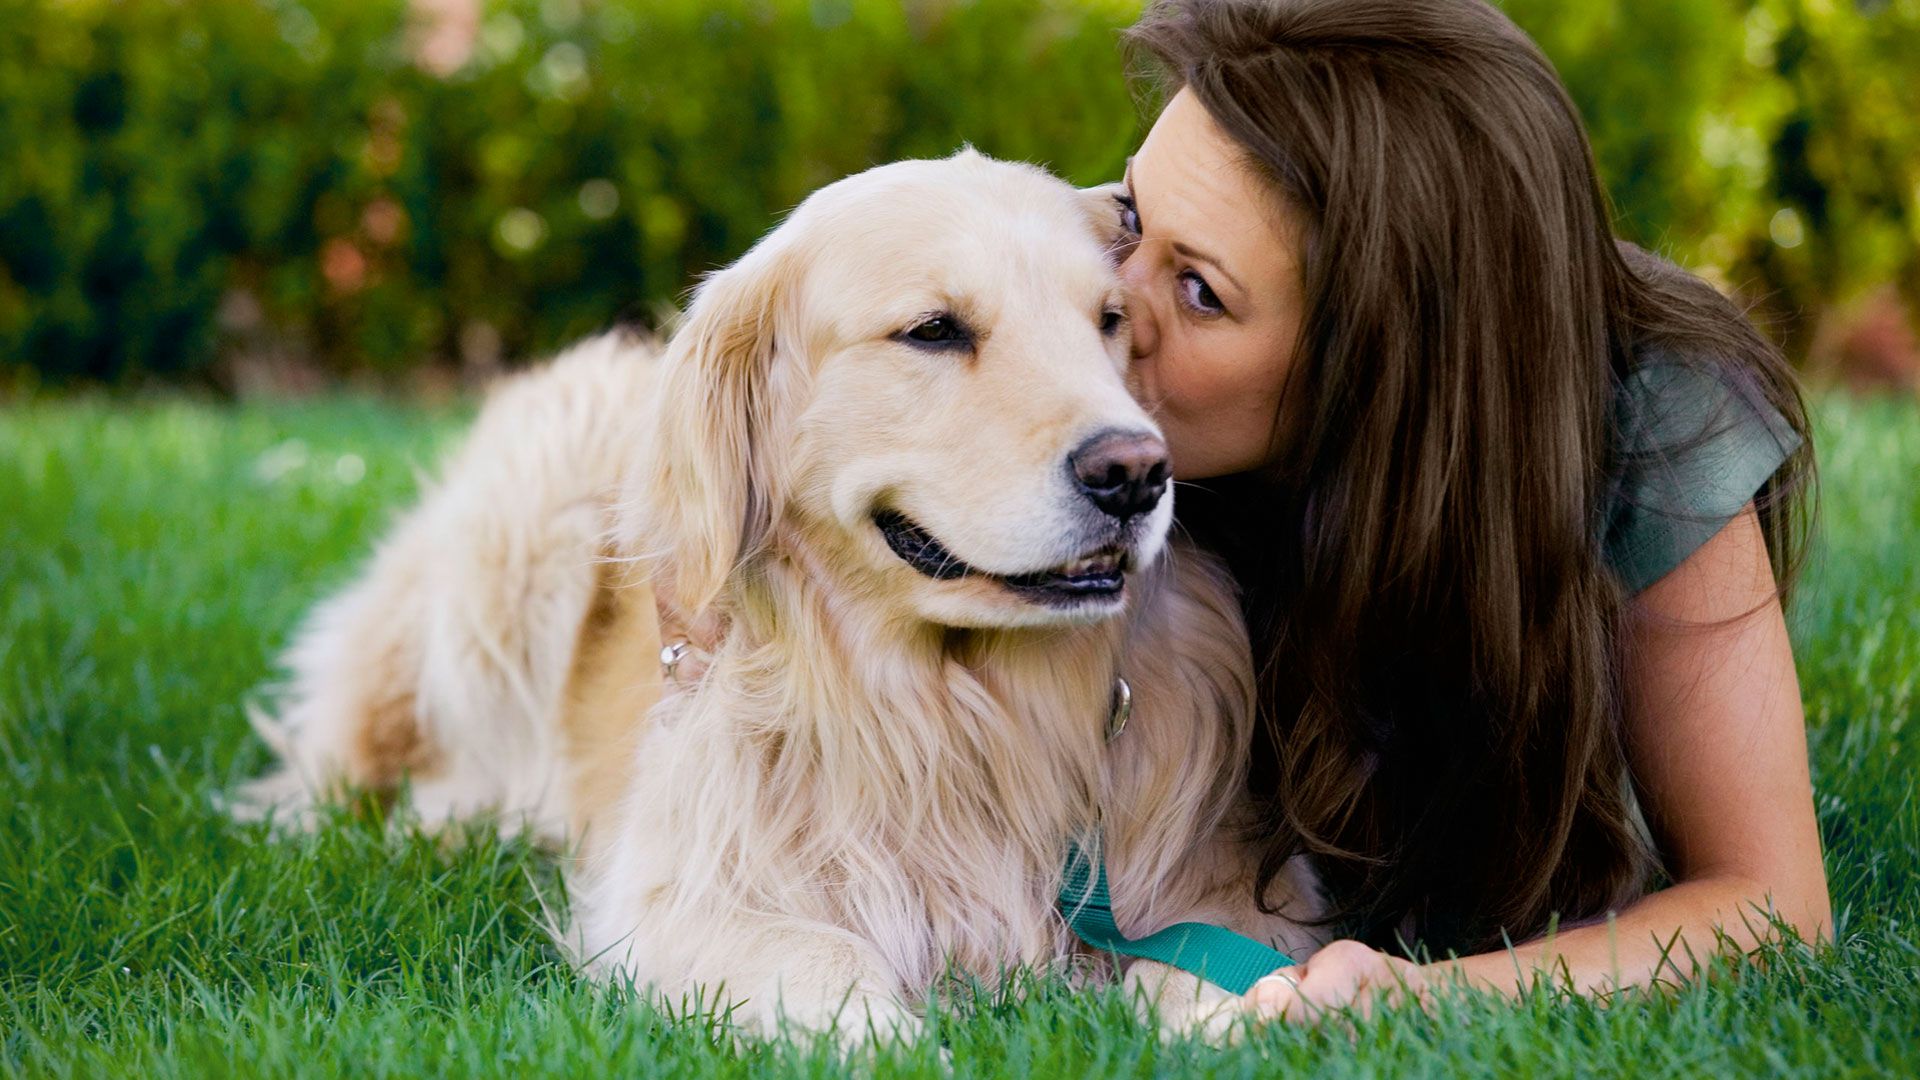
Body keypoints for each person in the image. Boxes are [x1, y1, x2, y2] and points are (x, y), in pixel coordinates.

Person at [662, 0, 1831, 1026]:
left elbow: (1772, 901)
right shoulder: (1122, 377)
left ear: (1374, 366)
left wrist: (1424, 996)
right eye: (1130, 220)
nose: (1112, 306)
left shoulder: (1650, 427)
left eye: (1200, 291)